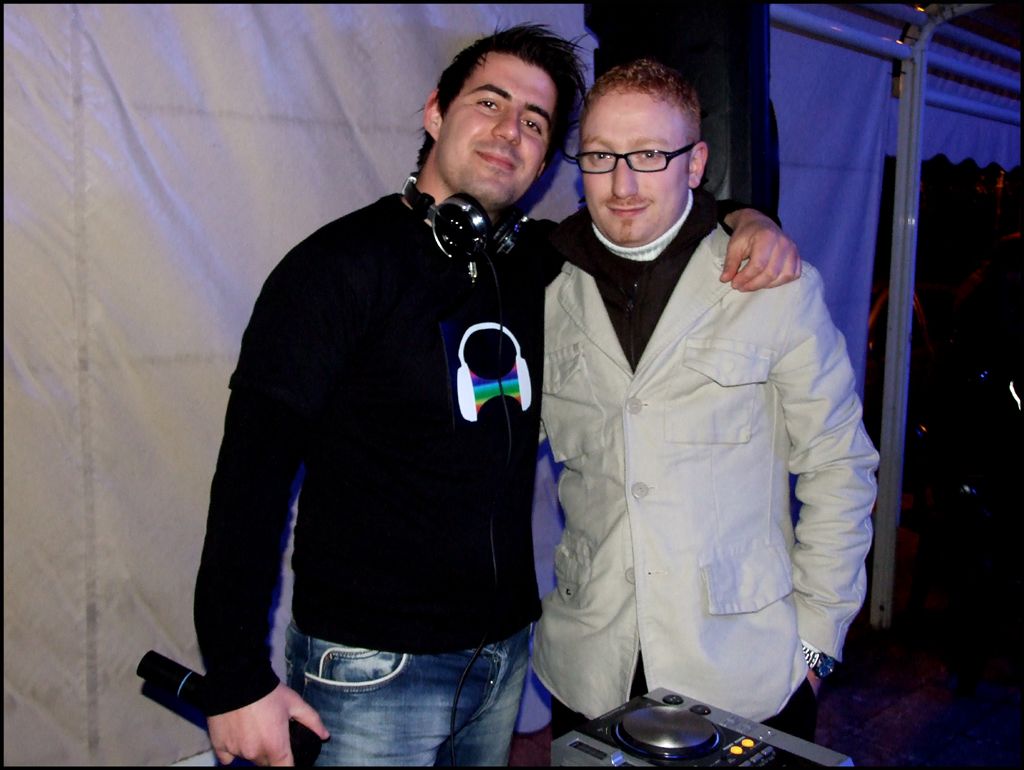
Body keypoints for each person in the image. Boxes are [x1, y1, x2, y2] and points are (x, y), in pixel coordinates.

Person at [193, 28, 799, 767]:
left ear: (544, 162)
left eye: (535, 122)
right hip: (371, 667)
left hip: (503, 659)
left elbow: (657, 209)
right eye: (490, 103)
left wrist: (746, 217)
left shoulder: (539, 262)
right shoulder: (335, 267)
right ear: (435, 112)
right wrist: (235, 675)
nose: (510, 130)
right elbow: (250, 476)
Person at [533, 58, 880, 744]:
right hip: (590, 666)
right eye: (600, 156)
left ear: (695, 164)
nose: (622, 184)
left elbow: (840, 466)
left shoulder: (773, 284)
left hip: (745, 670)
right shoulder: (546, 292)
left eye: (649, 155)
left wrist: (817, 646)